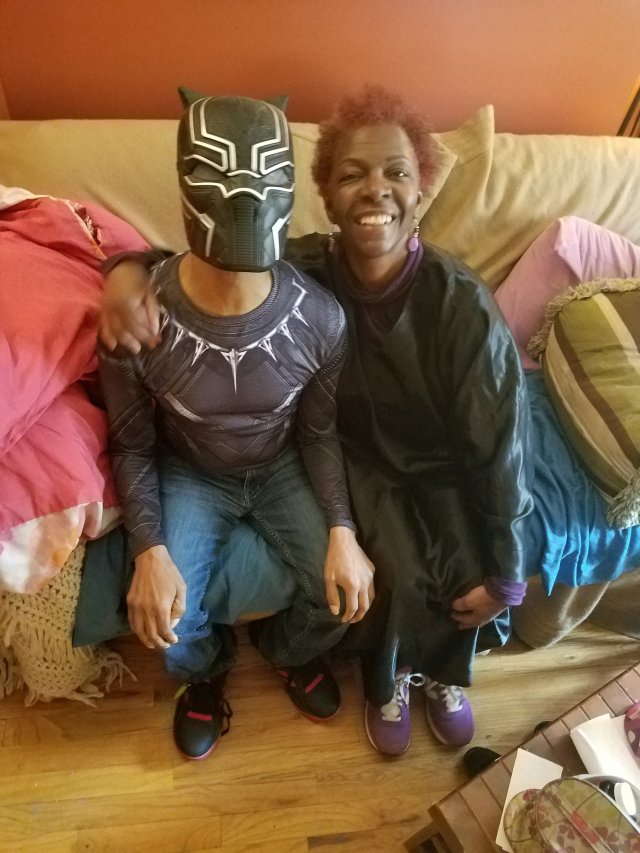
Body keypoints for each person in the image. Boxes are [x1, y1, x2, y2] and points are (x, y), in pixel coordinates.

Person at [100, 85, 533, 757]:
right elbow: (209, 255)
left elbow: (492, 442)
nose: (376, 189)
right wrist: (122, 272)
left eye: (395, 172)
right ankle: (245, 675)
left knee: (412, 578)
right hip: (271, 464)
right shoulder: (289, 270)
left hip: (395, 460)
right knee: (191, 620)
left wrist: (502, 568)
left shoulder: (431, 307)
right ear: (327, 195)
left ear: (421, 184)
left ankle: (376, 666)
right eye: (353, 174)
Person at [97, 93, 375, 761]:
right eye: (216, 174)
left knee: (343, 594)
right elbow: (130, 442)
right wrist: (148, 549)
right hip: (190, 469)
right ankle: (206, 671)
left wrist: (342, 529)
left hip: (281, 462)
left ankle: (286, 652)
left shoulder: (321, 317)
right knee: (167, 620)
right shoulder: (139, 318)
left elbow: (319, 432)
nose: (243, 197)